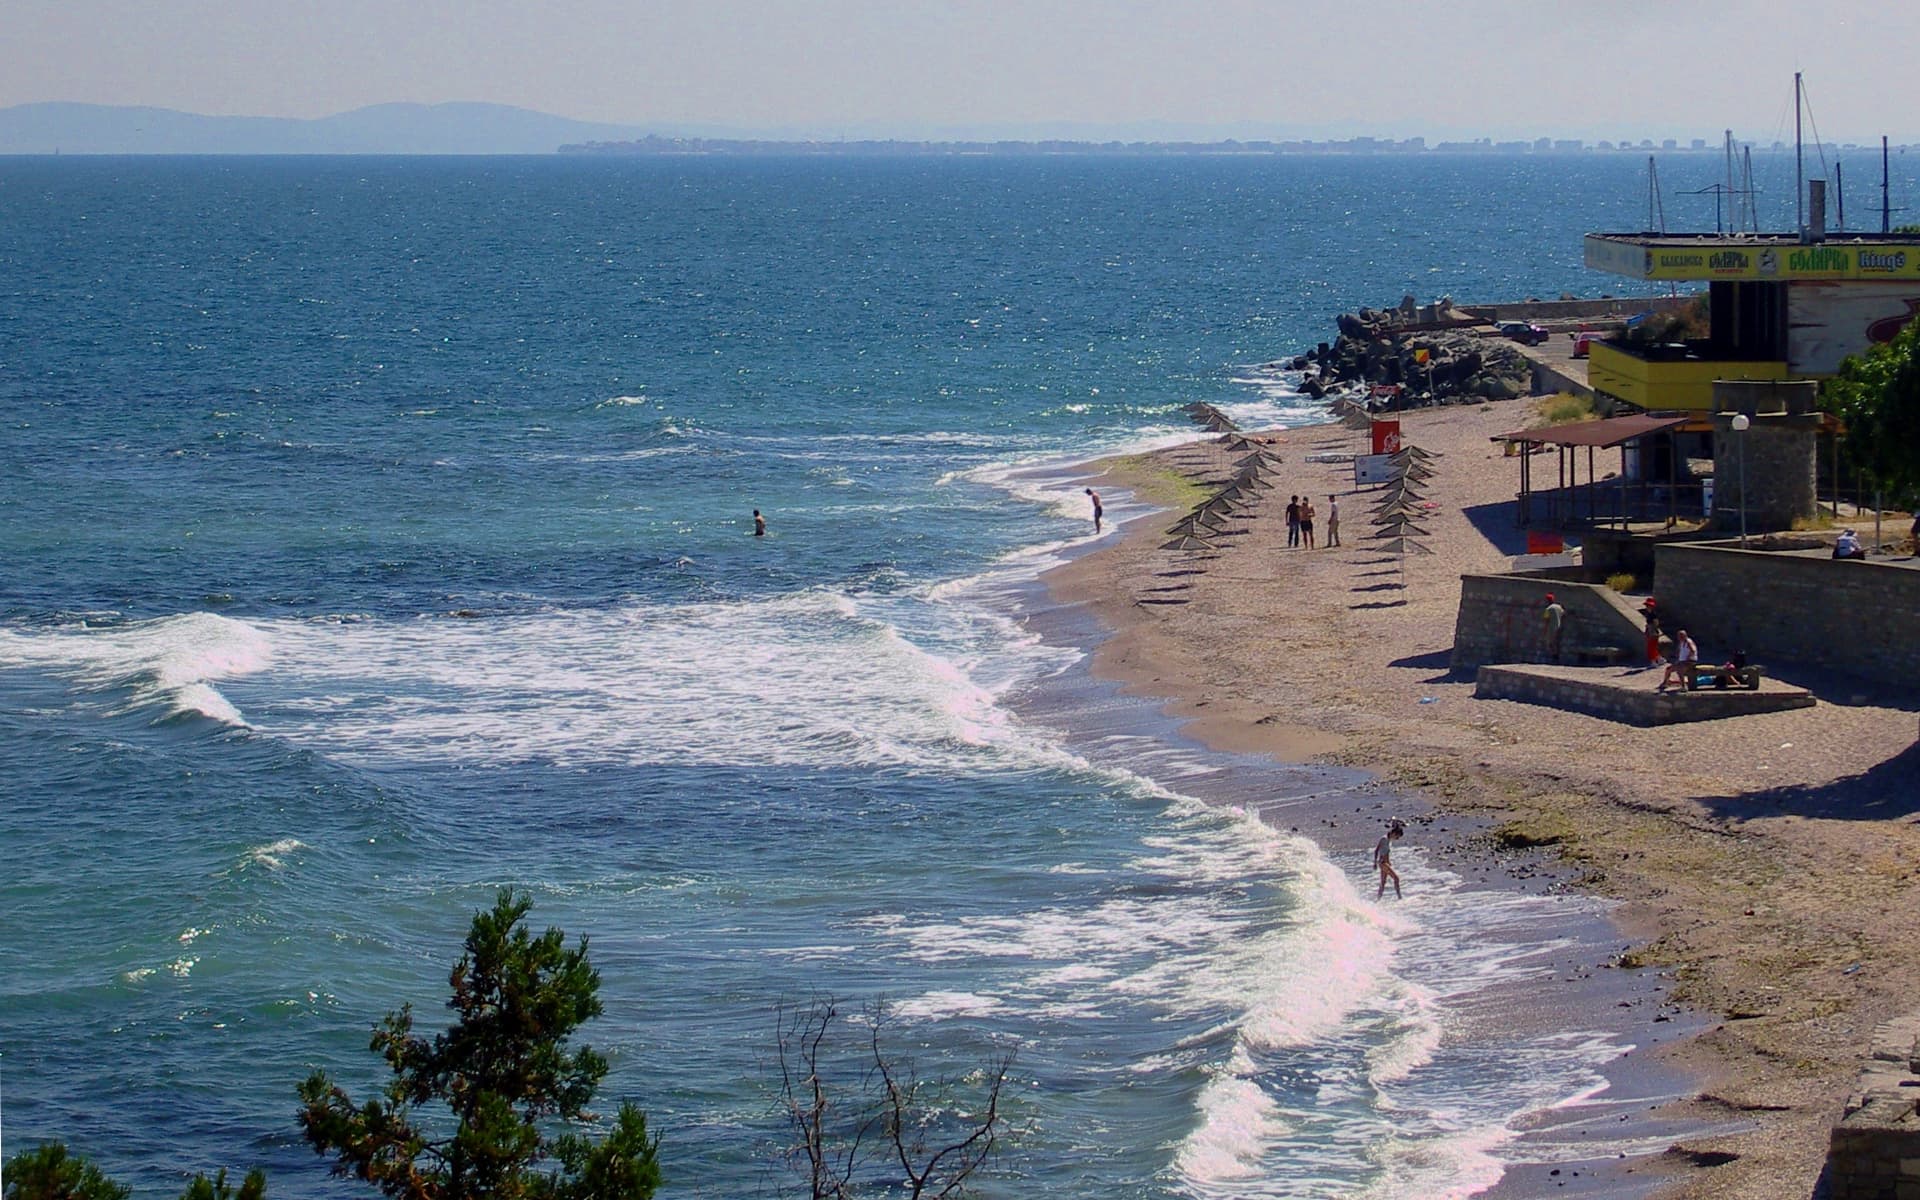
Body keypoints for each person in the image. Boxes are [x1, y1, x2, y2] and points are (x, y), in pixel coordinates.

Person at [1374, 819, 1405, 900]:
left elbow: (1385, 852)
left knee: (1383, 882)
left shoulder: (1388, 840)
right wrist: (1374, 863)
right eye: (1397, 836)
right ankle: (1400, 898)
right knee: (1396, 878)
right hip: (1383, 863)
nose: (1397, 839)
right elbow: (1377, 850)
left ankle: (1378, 899)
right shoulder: (1384, 839)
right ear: (1394, 833)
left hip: (1385, 863)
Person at [1541, 593, 1565, 663]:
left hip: (1551, 628)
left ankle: (1554, 657)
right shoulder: (1559, 607)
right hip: (1559, 627)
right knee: (1557, 642)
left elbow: (1546, 620)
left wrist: (1544, 630)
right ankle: (1556, 655)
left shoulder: (1548, 609)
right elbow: (1564, 614)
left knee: (1551, 643)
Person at [1641, 598, 1663, 666]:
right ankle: (1659, 659)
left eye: (1648, 606)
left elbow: (1656, 623)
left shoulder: (1653, 614)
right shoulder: (1648, 614)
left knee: (1651, 647)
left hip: (1653, 632)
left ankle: (1654, 661)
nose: (1647, 607)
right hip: (1650, 631)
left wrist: (1652, 628)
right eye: (1647, 606)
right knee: (1652, 647)